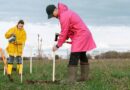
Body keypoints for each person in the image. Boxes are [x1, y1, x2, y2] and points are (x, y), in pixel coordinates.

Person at [46, 3, 96, 83]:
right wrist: (62, 38)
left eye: (52, 15)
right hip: (84, 34)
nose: (53, 17)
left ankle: (71, 79)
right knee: (82, 54)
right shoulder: (65, 13)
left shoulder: (63, 16)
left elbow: (64, 32)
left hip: (80, 35)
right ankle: (84, 77)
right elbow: (67, 32)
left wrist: (58, 45)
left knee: (74, 54)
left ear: (55, 10)